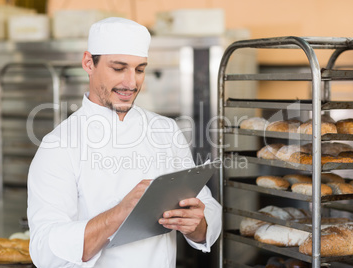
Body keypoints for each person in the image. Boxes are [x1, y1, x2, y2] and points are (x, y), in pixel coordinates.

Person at [27, 17, 222, 268]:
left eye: (139, 69)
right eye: (119, 68)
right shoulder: (59, 145)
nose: (131, 83)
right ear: (89, 63)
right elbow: (44, 250)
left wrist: (197, 224)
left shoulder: (165, 130)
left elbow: (206, 208)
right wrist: (120, 213)